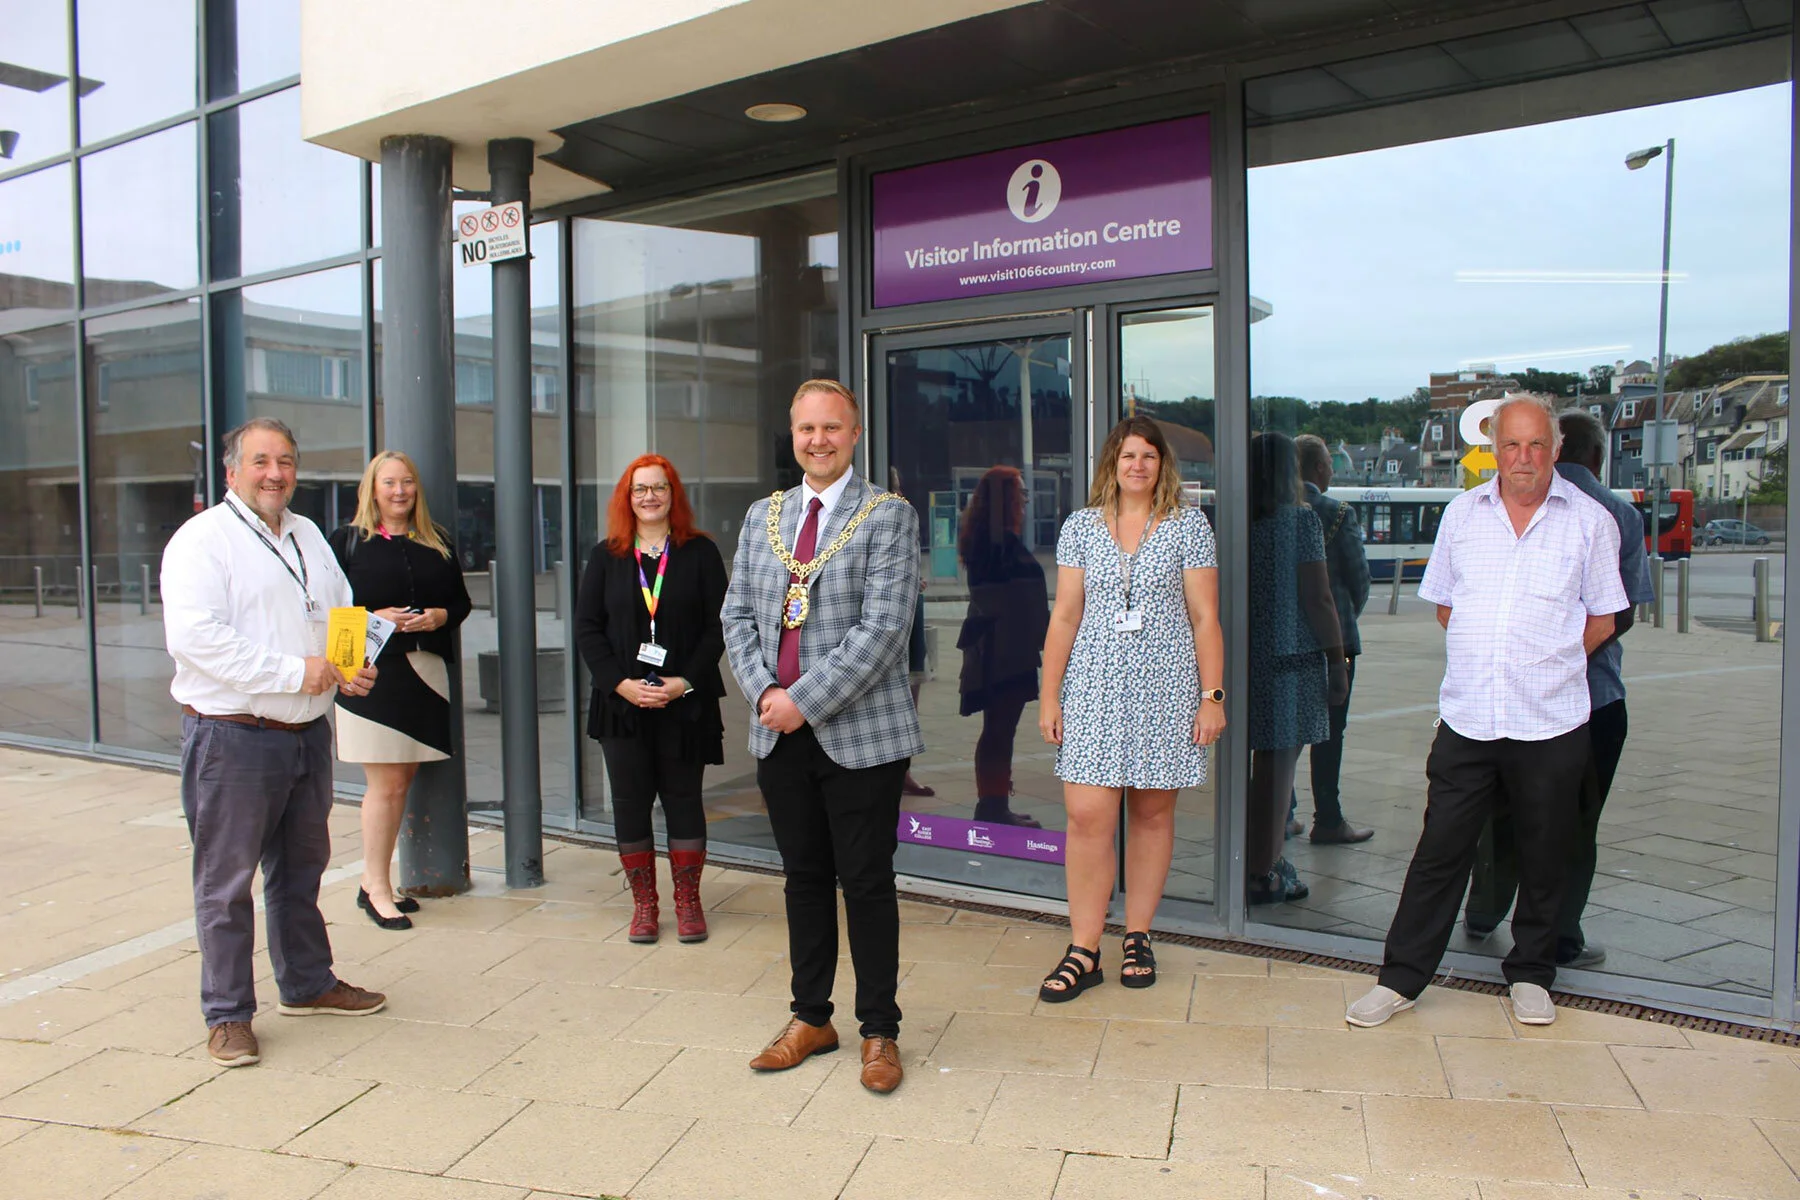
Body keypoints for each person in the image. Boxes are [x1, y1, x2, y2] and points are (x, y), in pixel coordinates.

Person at [1348, 395, 1625, 1029]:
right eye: (1511, 445)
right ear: (1493, 450)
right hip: (1469, 716)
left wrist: (1546, 661)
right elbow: (1448, 605)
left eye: (1536, 444)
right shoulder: (1462, 515)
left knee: (1546, 851)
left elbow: (1604, 618)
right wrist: (1495, 656)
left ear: (1555, 449)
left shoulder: (1590, 522)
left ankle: (1531, 974)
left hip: (1551, 719)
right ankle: (1400, 979)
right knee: (1440, 851)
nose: (1523, 458)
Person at [160, 418, 387, 1070]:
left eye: (285, 461)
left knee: (300, 871)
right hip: (233, 736)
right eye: (261, 461)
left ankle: (307, 984)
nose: (275, 473)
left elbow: (339, 608)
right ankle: (228, 1014)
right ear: (232, 471)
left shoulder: (308, 534)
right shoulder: (202, 541)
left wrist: (351, 665)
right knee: (226, 883)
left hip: (305, 736)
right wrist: (296, 673)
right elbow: (198, 640)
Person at [721, 379, 921, 1094]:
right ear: (793, 434)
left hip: (860, 736)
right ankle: (811, 1018)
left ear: (854, 434)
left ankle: (879, 1030)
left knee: (866, 883)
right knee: (803, 880)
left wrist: (801, 701)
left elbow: (884, 630)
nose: (818, 440)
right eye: (807, 428)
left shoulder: (888, 516)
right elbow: (736, 616)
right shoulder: (763, 516)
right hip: (778, 735)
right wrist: (764, 694)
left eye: (832, 428)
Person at [1036, 416, 1225, 999]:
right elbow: (1064, 615)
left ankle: (1138, 935)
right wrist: (1049, 693)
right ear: (1111, 465)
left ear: (1162, 463)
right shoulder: (1081, 527)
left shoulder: (1189, 526)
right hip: (1092, 689)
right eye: (1127, 456)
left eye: (1148, 455)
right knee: (1087, 817)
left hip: (1166, 689)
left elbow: (1205, 618)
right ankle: (1084, 948)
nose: (1137, 465)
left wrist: (1212, 697)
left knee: (1151, 815)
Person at [1462, 408, 1652, 968]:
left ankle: (1483, 911)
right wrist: (1562, 658)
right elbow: (1621, 614)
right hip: (1594, 698)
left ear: (1556, 447)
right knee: (1575, 819)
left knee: (1500, 810)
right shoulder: (1618, 512)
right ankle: (1560, 936)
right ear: (1598, 455)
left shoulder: (1501, 500)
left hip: (1504, 695)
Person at [575, 454, 728, 944]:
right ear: (627, 497)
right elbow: (587, 629)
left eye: (659, 487)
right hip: (621, 705)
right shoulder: (607, 556)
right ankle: (644, 905)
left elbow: (719, 627)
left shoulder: (700, 553)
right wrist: (619, 683)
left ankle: (688, 902)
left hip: (685, 703)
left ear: (672, 494)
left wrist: (685, 681)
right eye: (639, 489)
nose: (649, 497)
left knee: (684, 799)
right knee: (630, 802)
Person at [328, 450, 473, 931]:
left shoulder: (437, 540)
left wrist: (438, 616)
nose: (399, 491)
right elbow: (328, 611)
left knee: (402, 781)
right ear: (372, 488)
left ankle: (372, 881)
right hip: (372, 675)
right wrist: (375, 618)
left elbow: (460, 602)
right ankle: (376, 887)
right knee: (386, 785)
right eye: (389, 482)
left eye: (407, 481)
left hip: (425, 670)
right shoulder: (347, 541)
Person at [1246, 432, 1348, 905]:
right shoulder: (1299, 520)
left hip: (1248, 658)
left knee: (1258, 770)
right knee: (1278, 771)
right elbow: (1319, 597)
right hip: (1292, 663)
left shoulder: (1236, 520)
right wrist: (1337, 661)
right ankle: (1263, 869)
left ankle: (1254, 860)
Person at [957, 465, 1049, 828]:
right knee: (1000, 730)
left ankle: (993, 802)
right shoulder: (1000, 546)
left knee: (997, 729)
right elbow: (1009, 600)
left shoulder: (987, 541)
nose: (1025, 501)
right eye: (1020, 493)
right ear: (1006, 499)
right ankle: (993, 806)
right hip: (1004, 652)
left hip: (999, 648)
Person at [1295, 434, 1373, 845]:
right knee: (1330, 731)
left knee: (1284, 730)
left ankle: (1282, 813)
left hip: (1284, 642)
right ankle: (1328, 818)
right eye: (1328, 463)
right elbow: (1359, 579)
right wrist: (1345, 617)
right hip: (1336, 643)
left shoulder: (1269, 512)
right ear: (1319, 468)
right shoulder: (1338, 513)